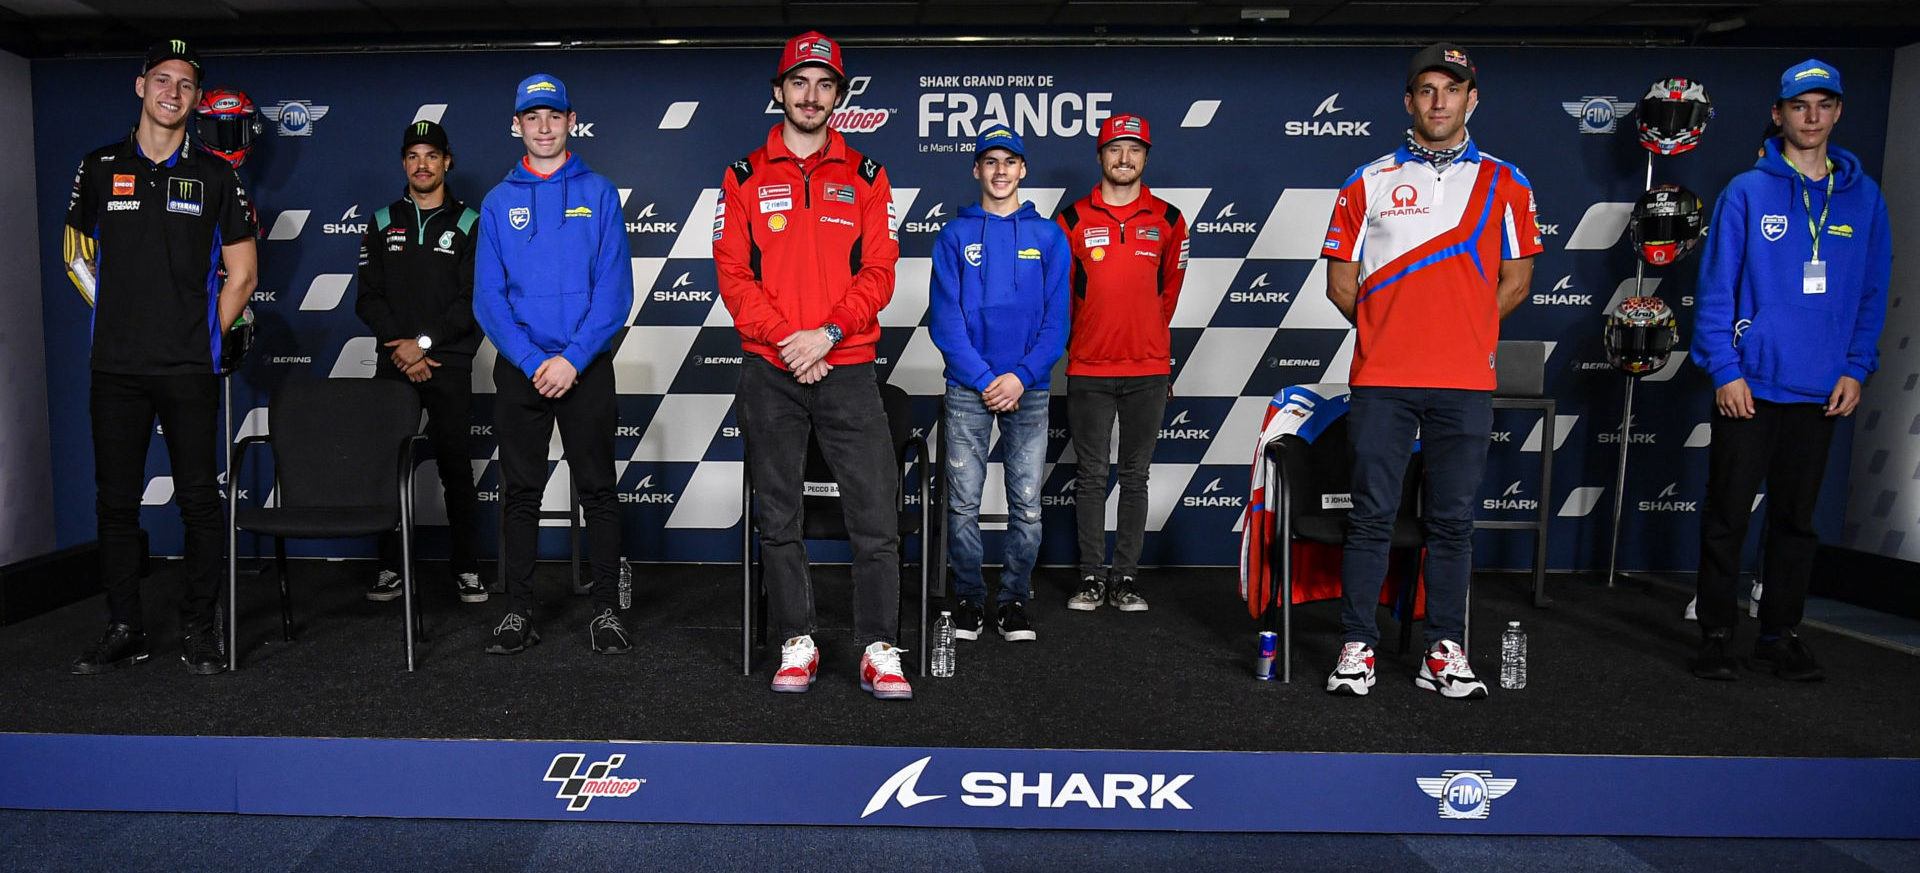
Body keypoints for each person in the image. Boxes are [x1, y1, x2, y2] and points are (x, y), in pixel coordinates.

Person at [1319, 43, 1540, 699]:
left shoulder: (1508, 182)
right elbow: (1339, 282)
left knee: (1451, 520)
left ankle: (1443, 649)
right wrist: (1396, 334)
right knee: (1371, 517)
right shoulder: (1368, 179)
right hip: (1383, 378)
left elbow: (1519, 279)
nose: (1438, 100)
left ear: (1472, 99)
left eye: (1452, 88)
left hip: (1465, 380)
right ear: (1408, 100)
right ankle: (1356, 646)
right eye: (1426, 88)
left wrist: (1457, 333)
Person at [713, 32, 912, 700]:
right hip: (771, 369)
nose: (810, 95)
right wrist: (788, 340)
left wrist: (826, 333)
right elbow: (734, 276)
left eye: (824, 84)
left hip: (848, 364)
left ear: (839, 96)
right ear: (779, 92)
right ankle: (796, 640)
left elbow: (881, 271)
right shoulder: (742, 176)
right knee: (779, 515)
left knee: (876, 515)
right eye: (798, 82)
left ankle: (878, 647)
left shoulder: (867, 176)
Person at [1689, 59, 1889, 682]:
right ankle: (1719, 635)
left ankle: (1779, 634)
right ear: (1779, 114)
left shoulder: (1864, 195)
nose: (1812, 116)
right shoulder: (1747, 191)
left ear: (1837, 113)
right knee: (1727, 515)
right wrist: (1724, 370)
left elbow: (1872, 293)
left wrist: (1856, 366)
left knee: (1796, 524)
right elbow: (1717, 289)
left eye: (1824, 105)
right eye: (1800, 105)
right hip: (1749, 383)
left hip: (1821, 388)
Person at [64, 40, 259, 676]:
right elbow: (75, 257)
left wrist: (200, 335)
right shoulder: (96, 167)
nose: (173, 92)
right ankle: (125, 626)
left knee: (200, 500)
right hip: (115, 367)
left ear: (197, 100)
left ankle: (199, 629)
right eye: (163, 79)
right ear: (141, 85)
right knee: (115, 502)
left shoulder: (214, 174)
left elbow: (243, 274)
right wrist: (117, 316)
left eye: (186, 85)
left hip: (187, 369)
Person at [472, 74, 634, 655]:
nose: (544, 127)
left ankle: (607, 613)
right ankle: (517, 612)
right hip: (522, 371)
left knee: (598, 490)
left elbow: (614, 294)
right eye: (532, 117)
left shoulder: (600, 192)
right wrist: (533, 360)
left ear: (571, 122)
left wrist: (571, 359)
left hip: (584, 368)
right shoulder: (497, 201)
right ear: (517, 126)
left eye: (554, 116)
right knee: (521, 493)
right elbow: (488, 299)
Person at [927, 124, 1070, 643]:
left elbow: (1058, 324)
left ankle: (1013, 601)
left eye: (1010, 161)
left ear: (1023, 170)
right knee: (962, 502)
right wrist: (989, 379)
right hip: (970, 388)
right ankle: (968, 598)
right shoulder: (954, 236)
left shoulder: (1050, 237)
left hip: (1028, 389)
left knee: (1027, 505)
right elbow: (945, 322)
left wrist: (1021, 377)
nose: (1001, 171)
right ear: (977, 170)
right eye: (990, 161)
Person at [1055, 113, 1189, 614]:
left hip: (1148, 370)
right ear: (1100, 155)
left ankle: (1126, 579)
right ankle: (1091, 577)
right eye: (1115, 149)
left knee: (1135, 477)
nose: (1124, 158)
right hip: (1088, 367)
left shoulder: (1170, 219)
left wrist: (1146, 336)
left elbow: (1169, 291)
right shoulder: (1070, 220)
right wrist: (1089, 335)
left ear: (1146, 157)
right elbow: (1060, 297)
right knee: (1090, 477)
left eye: (1134, 149)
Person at [354, 120, 486, 606]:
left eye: (432, 155)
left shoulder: (471, 223)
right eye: (413, 155)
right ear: (404, 163)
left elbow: (472, 299)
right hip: (395, 364)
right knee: (389, 469)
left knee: (455, 468)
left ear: (447, 161)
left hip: (447, 363)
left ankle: (468, 569)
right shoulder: (383, 219)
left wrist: (423, 344)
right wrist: (403, 347)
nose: (423, 164)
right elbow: (367, 299)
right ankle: (389, 566)